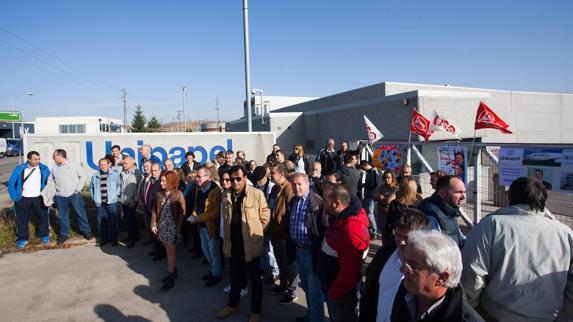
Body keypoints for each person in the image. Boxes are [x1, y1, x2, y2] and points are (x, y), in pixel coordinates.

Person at [461, 177, 573, 321]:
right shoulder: (565, 233)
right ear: (543, 199)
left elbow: (472, 275)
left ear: (509, 197)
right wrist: (564, 316)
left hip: (496, 314)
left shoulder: (491, 225)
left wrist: (471, 311)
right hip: (549, 315)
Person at [391, 230, 483, 322]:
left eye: (413, 266)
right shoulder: (405, 294)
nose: (402, 269)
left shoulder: (463, 318)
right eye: (404, 261)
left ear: (442, 277)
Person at [216, 165, 270, 322]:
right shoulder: (226, 195)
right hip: (233, 245)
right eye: (232, 179)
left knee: (255, 280)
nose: (234, 181)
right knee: (234, 278)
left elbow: (265, 216)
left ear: (245, 177)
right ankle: (233, 304)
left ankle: (255, 311)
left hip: (251, 246)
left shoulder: (256, 194)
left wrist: (258, 234)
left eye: (238, 178)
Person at [359, 209, 429, 322]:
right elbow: (370, 293)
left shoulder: (427, 268)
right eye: (397, 235)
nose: (401, 242)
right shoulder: (384, 255)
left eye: (407, 237)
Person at [317, 183, 370, 322]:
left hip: (341, 296)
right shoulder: (339, 218)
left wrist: (333, 295)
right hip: (335, 289)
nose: (323, 203)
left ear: (337, 204)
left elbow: (350, 273)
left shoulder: (351, 230)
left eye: (325, 200)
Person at [289, 173, 329, 322]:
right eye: (294, 184)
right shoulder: (294, 200)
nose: (296, 187)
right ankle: (311, 316)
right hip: (299, 250)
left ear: (308, 184)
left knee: (314, 290)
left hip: (312, 252)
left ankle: (316, 318)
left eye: (299, 184)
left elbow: (324, 228)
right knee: (305, 285)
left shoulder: (317, 202)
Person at [268, 164, 299, 304]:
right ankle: (283, 285)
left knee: (289, 263)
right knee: (280, 260)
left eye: (273, 173)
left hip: (284, 234)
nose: (270, 175)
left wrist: (285, 231)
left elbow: (291, 213)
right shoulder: (275, 188)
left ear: (281, 174)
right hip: (274, 231)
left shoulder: (289, 189)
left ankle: (292, 292)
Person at [150, 171, 186, 292]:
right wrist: (153, 223)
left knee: (170, 252)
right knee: (167, 250)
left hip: (173, 228)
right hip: (162, 227)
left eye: (164, 181)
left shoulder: (178, 194)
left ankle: (171, 277)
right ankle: (173, 271)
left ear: (171, 181)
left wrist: (179, 230)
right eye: (161, 180)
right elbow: (155, 210)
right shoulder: (159, 194)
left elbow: (182, 214)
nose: (161, 183)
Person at [187, 166, 222, 287]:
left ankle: (216, 274)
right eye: (196, 176)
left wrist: (198, 218)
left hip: (211, 226)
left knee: (214, 252)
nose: (196, 179)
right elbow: (197, 205)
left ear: (208, 177)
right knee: (206, 251)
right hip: (201, 226)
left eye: (199, 177)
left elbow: (215, 212)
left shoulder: (215, 190)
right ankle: (212, 271)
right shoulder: (199, 188)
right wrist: (194, 214)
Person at [8, 151, 51, 249]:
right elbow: (11, 183)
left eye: (39, 159)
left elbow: (50, 183)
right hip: (23, 198)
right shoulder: (19, 169)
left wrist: (48, 196)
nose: (38, 161)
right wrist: (15, 197)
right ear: (28, 159)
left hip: (39, 198)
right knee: (21, 220)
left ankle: (44, 235)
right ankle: (23, 238)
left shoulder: (44, 168)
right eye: (35, 159)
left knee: (43, 217)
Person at [50, 149, 93, 245]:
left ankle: (86, 231)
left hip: (74, 195)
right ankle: (64, 234)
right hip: (60, 196)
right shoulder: (54, 168)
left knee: (80, 214)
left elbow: (83, 176)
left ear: (60, 156)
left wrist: (77, 189)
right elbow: (51, 180)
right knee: (62, 216)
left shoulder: (73, 164)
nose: (53, 158)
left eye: (54, 156)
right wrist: (54, 192)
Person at [417, 175, 466, 248]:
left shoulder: (449, 211)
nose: (463, 196)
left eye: (464, 192)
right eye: (458, 192)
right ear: (442, 193)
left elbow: (459, 237)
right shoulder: (430, 216)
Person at [251, 166, 279, 284]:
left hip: (269, 223)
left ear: (264, 177)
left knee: (270, 250)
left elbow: (271, 208)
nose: (258, 182)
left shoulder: (271, 187)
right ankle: (264, 268)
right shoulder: (255, 187)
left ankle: (275, 272)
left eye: (260, 180)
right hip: (258, 223)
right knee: (261, 248)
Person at [89, 157, 121, 247]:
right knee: (101, 222)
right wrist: (93, 198)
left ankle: (114, 239)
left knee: (113, 221)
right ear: (99, 166)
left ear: (108, 165)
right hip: (100, 203)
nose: (103, 167)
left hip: (111, 202)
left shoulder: (114, 175)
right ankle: (104, 238)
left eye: (104, 165)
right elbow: (91, 188)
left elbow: (119, 186)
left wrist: (116, 195)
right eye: (101, 165)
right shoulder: (95, 176)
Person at [384, 177, 422, 247]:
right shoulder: (419, 204)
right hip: (414, 240)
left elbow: (389, 225)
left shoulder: (394, 204)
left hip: (398, 240)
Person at [119, 156, 143, 248]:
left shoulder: (137, 173)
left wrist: (134, 200)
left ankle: (132, 238)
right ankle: (134, 235)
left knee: (130, 219)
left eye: (125, 163)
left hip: (132, 201)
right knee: (129, 219)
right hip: (124, 200)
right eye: (123, 163)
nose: (123, 164)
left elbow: (139, 188)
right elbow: (121, 186)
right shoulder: (122, 173)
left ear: (132, 164)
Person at [140, 162, 162, 251]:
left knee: (158, 231)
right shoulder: (150, 180)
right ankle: (156, 247)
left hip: (156, 211)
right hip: (148, 209)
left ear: (160, 171)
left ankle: (160, 251)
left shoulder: (161, 182)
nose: (154, 172)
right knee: (152, 230)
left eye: (156, 171)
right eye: (152, 171)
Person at [373, 170, 398, 236]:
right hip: (382, 215)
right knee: (383, 234)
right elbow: (374, 196)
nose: (387, 179)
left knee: (391, 236)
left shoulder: (395, 189)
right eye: (385, 177)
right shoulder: (382, 187)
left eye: (389, 177)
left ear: (392, 178)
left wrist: (381, 198)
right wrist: (380, 197)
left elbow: (388, 201)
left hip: (390, 216)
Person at [359, 160, 380, 237]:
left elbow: (374, 184)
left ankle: (374, 231)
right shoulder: (372, 172)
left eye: (363, 167)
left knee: (370, 214)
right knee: (368, 214)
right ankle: (372, 230)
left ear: (365, 165)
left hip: (371, 196)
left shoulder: (373, 172)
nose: (363, 169)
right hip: (369, 195)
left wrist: (365, 185)